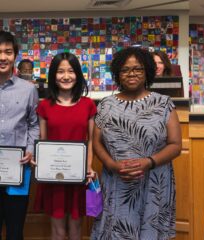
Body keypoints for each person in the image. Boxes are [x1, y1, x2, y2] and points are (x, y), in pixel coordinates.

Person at [91, 47, 182, 239]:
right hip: (117, 181)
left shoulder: (164, 103)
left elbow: (175, 144)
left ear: (147, 71)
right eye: (125, 70)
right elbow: (96, 142)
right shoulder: (106, 105)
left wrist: (149, 161)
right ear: (117, 74)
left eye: (138, 69)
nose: (131, 74)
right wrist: (111, 165)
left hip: (154, 181)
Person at [33, 52, 96, 240]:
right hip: (54, 178)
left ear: (78, 74)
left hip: (79, 176)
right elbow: (43, 143)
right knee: (57, 230)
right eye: (60, 71)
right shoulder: (44, 106)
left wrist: (89, 167)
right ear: (53, 75)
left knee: (76, 230)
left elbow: (91, 140)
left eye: (71, 71)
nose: (66, 76)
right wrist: (41, 164)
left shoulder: (88, 105)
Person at [0, 30, 39, 240]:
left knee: (15, 231)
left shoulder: (28, 90)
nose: (2, 57)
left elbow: (34, 125)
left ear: (14, 55)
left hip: (18, 170)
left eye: (7, 52)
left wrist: (31, 150)